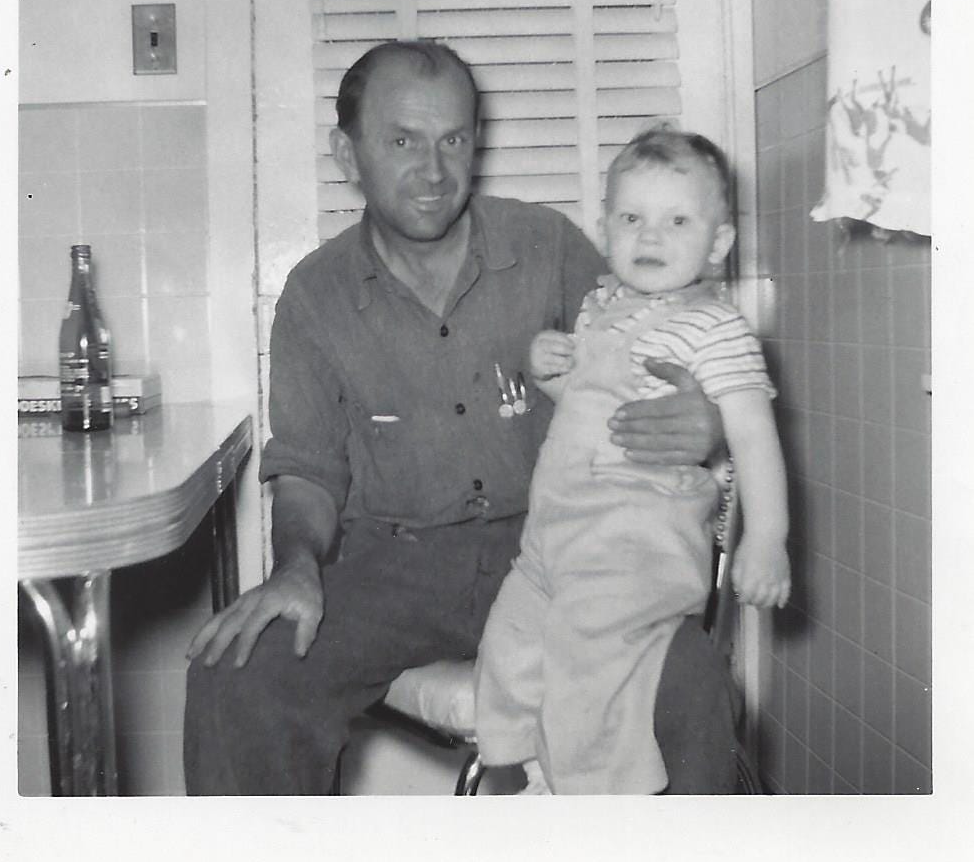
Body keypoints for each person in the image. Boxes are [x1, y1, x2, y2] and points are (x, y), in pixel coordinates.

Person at [183, 41, 741, 796]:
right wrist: (295, 567)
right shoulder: (315, 296)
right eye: (403, 140)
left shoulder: (547, 248)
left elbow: (664, 351)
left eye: (453, 139)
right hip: (394, 569)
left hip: (561, 549)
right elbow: (309, 467)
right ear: (347, 154)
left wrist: (704, 422)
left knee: (688, 675)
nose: (434, 169)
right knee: (238, 672)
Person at [474, 127, 791, 794]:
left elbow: (754, 435)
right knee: (509, 639)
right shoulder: (599, 306)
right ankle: (513, 766)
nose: (650, 236)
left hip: (633, 546)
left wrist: (766, 538)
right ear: (604, 227)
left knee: (590, 662)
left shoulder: (716, 328)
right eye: (631, 218)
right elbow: (590, 407)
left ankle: (597, 798)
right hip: (556, 534)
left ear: (719, 243)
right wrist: (547, 369)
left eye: (676, 220)